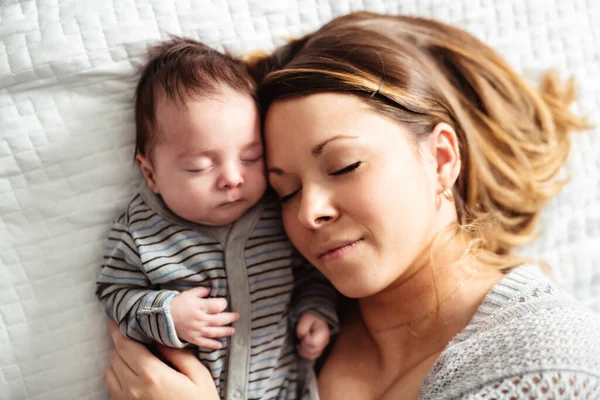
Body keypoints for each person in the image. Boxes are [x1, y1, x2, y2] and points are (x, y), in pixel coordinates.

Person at [103, 12, 600, 400]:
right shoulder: (302, 327)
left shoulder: (549, 356)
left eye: (343, 166)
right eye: (285, 191)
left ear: (441, 158)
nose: (306, 213)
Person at [96, 37, 338, 400]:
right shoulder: (141, 232)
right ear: (151, 174)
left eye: (251, 156)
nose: (233, 178)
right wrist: (167, 313)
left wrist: (316, 311)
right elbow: (114, 295)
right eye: (200, 165)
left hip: (280, 388)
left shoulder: (276, 215)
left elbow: (310, 273)